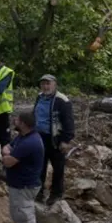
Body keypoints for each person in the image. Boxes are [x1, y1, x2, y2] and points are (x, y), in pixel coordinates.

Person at [1, 111, 45, 223]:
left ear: (24, 124)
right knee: (20, 215)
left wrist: (8, 154)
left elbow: (7, 161)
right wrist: (8, 153)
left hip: (24, 186)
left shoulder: (29, 142)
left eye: (17, 119)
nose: (14, 120)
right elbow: (7, 147)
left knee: (25, 217)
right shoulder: (23, 136)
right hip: (20, 185)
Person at [34, 74, 76, 205]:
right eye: (43, 84)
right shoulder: (40, 97)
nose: (46, 86)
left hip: (55, 138)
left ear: (54, 84)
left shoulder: (62, 100)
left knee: (58, 167)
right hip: (39, 137)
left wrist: (66, 140)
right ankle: (38, 192)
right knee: (39, 166)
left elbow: (69, 122)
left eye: (48, 83)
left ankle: (56, 194)